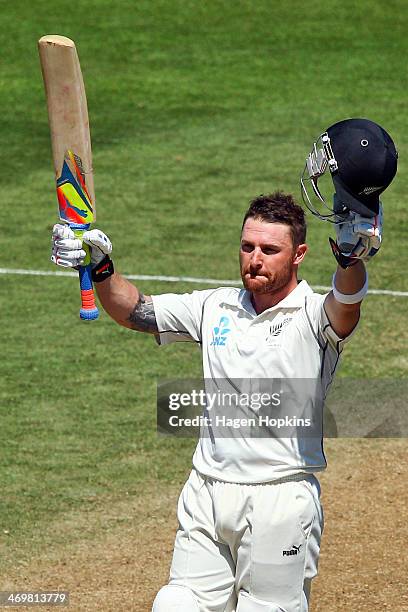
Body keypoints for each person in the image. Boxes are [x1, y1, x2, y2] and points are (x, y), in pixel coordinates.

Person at [51, 118, 397, 612]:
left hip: (281, 497)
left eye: (269, 250)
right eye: (247, 247)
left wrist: (348, 256)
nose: (255, 259)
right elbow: (135, 309)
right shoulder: (214, 306)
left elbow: (348, 303)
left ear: (299, 253)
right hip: (207, 493)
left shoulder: (312, 318)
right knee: (175, 605)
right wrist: (101, 266)